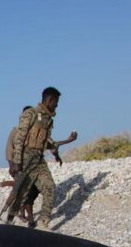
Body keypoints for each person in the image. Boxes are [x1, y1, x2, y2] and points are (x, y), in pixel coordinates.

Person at [5, 87, 77, 231]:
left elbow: (48, 142)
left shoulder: (48, 120)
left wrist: (68, 142)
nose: (56, 106)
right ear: (50, 100)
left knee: (49, 187)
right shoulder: (30, 114)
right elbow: (20, 138)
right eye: (56, 102)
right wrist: (17, 161)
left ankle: (43, 223)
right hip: (25, 159)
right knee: (21, 193)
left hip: (39, 159)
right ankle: (9, 221)